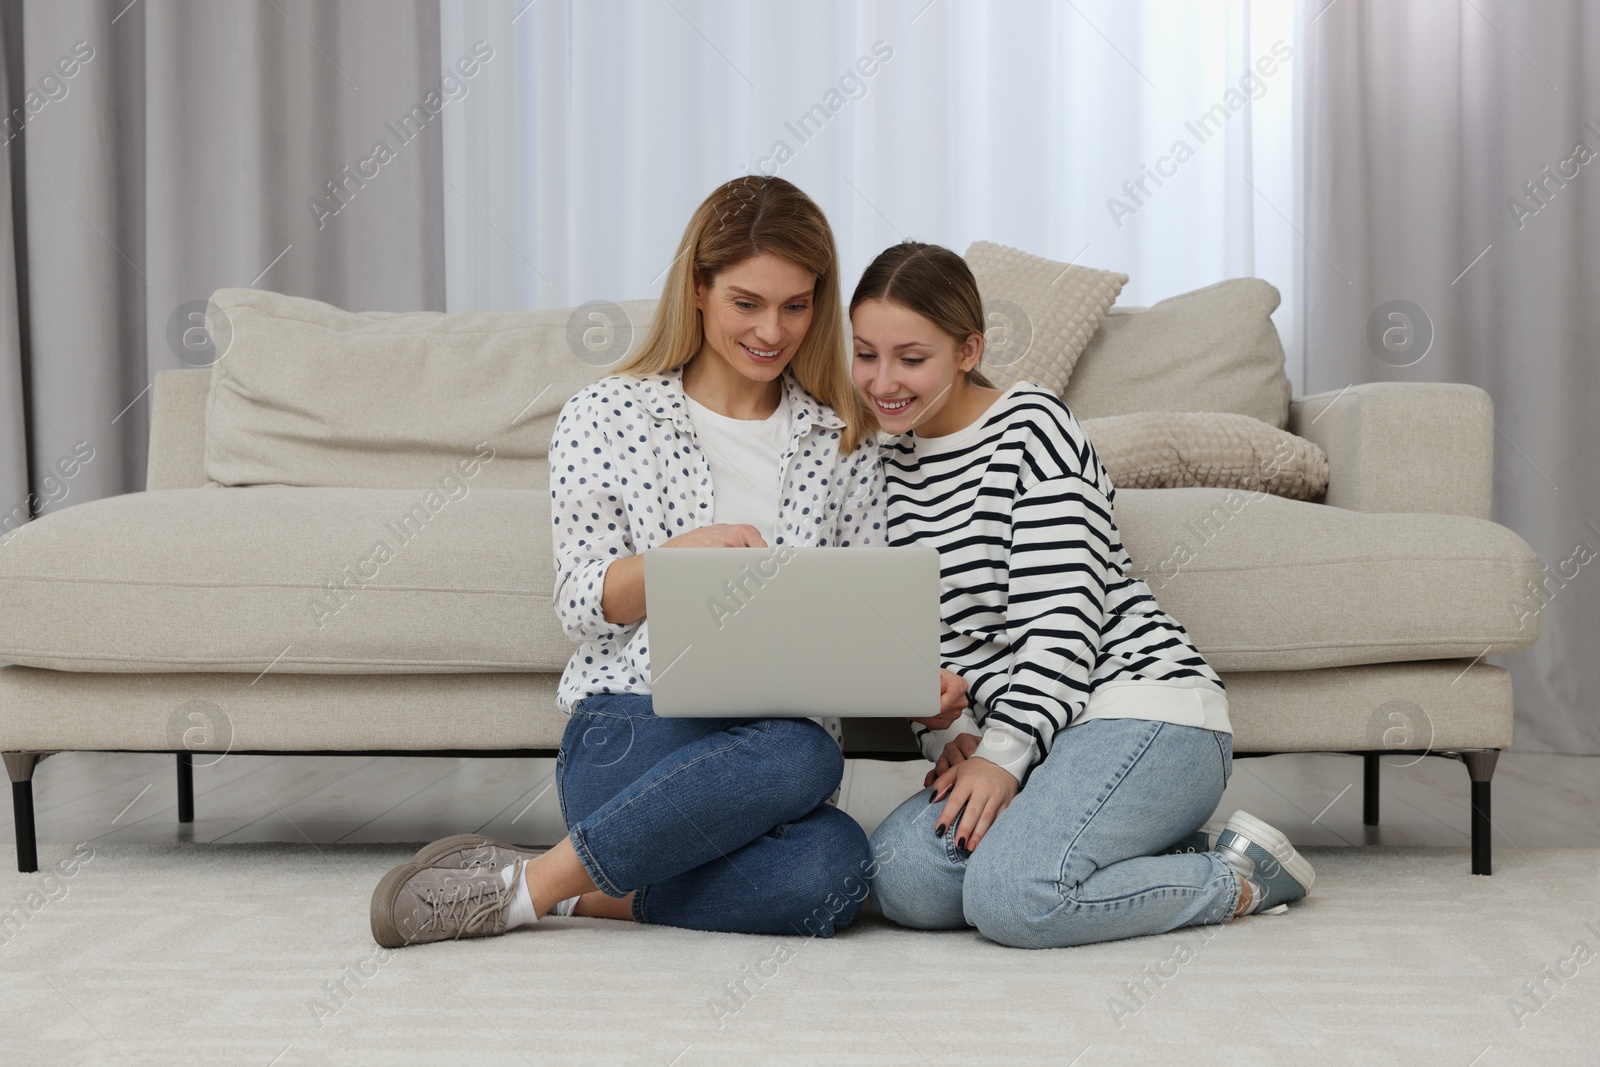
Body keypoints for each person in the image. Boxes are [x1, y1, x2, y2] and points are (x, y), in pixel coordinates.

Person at [368, 179, 965, 948]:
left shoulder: (840, 439)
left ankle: (556, 885)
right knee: (807, 755)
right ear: (697, 289)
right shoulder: (607, 414)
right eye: (746, 303)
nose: (772, 330)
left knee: (838, 867)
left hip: (770, 756)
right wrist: (670, 563)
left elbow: (864, 617)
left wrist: (913, 683)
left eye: (795, 305)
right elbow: (580, 601)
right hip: (632, 728)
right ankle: (535, 887)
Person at [852, 241, 1315, 949]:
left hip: (1141, 710)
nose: (883, 381)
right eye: (865, 354)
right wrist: (951, 737)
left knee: (1015, 899)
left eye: (911, 359)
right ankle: (1115, 842)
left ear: (968, 349)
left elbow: (1063, 627)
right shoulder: (878, 467)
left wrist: (1001, 756)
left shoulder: (1032, 428)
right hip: (1036, 738)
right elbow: (920, 639)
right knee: (900, 878)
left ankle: (1235, 873)